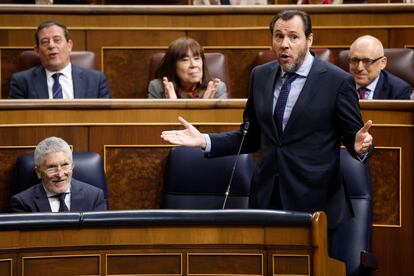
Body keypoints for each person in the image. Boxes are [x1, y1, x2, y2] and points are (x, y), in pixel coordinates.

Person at [161, 9, 373, 255]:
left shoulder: (337, 81)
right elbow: (250, 137)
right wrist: (204, 140)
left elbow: (357, 140)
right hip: (267, 202)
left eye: (293, 37)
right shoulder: (260, 76)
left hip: (318, 206)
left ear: (309, 40)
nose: (285, 44)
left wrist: (361, 147)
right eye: (278, 36)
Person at [9, 20, 111, 99]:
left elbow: (106, 119)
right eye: (45, 42)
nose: (51, 45)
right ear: (37, 50)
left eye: (57, 40)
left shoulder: (96, 80)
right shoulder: (21, 82)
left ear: (69, 45)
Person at [10, 136, 107, 212]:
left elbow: (100, 236)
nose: (60, 174)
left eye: (65, 165)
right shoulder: (23, 203)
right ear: (38, 172)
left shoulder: (94, 196)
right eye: (51, 167)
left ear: (72, 166)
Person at [148, 37, 227, 99]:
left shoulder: (217, 88)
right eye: (185, 60)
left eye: (197, 59)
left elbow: (225, 119)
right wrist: (172, 105)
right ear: (173, 66)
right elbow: (153, 119)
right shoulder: (158, 88)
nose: (193, 65)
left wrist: (205, 106)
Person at [348, 35, 412, 100]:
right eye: (355, 60)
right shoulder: (340, 85)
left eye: (367, 61)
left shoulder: (399, 91)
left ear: (382, 63)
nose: (359, 68)